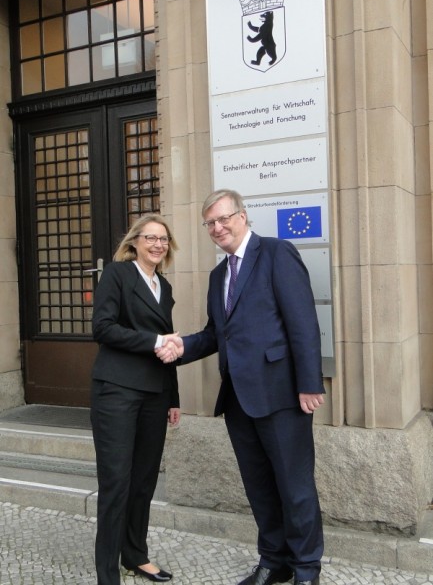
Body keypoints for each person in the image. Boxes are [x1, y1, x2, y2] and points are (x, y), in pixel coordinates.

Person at [157, 190, 324, 585]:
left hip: (282, 395)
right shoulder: (218, 276)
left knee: (295, 487)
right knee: (259, 488)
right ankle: (273, 561)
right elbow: (218, 334)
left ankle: (306, 569)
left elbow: (302, 322)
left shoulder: (276, 253)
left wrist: (309, 383)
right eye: (210, 223)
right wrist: (183, 347)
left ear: (243, 216)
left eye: (223, 219)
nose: (218, 228)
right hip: (237, 399)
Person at [91, 214, 181, 585]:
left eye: (163, 239)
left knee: (144, 481)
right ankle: (107, 573)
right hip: (116, 390)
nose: (158, 244)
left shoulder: (165, 286)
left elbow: (168, 344)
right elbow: (103, 328)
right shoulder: (118, 274)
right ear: (135, 242)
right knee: (117, 482)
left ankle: (136, 555)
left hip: (155, 394)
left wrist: (173, 397)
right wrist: (155, 342)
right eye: (151, 238)